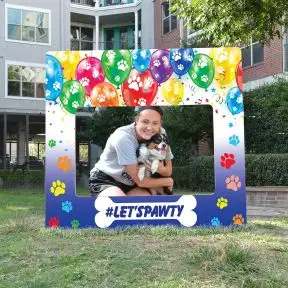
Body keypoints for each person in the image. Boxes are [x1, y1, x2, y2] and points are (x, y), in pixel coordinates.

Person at [89, 106, 174, 197]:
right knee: (118, 202)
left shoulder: (161, 134)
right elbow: (140, 181)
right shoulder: (123, 138)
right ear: (136, 120)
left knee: (146, 203)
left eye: (155, 123)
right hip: (107, 178)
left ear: (160, 123)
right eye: (145, 121)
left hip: (132, 184)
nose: (150, 128)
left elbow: (168, 171)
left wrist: (161, 170)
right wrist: (168, 181)